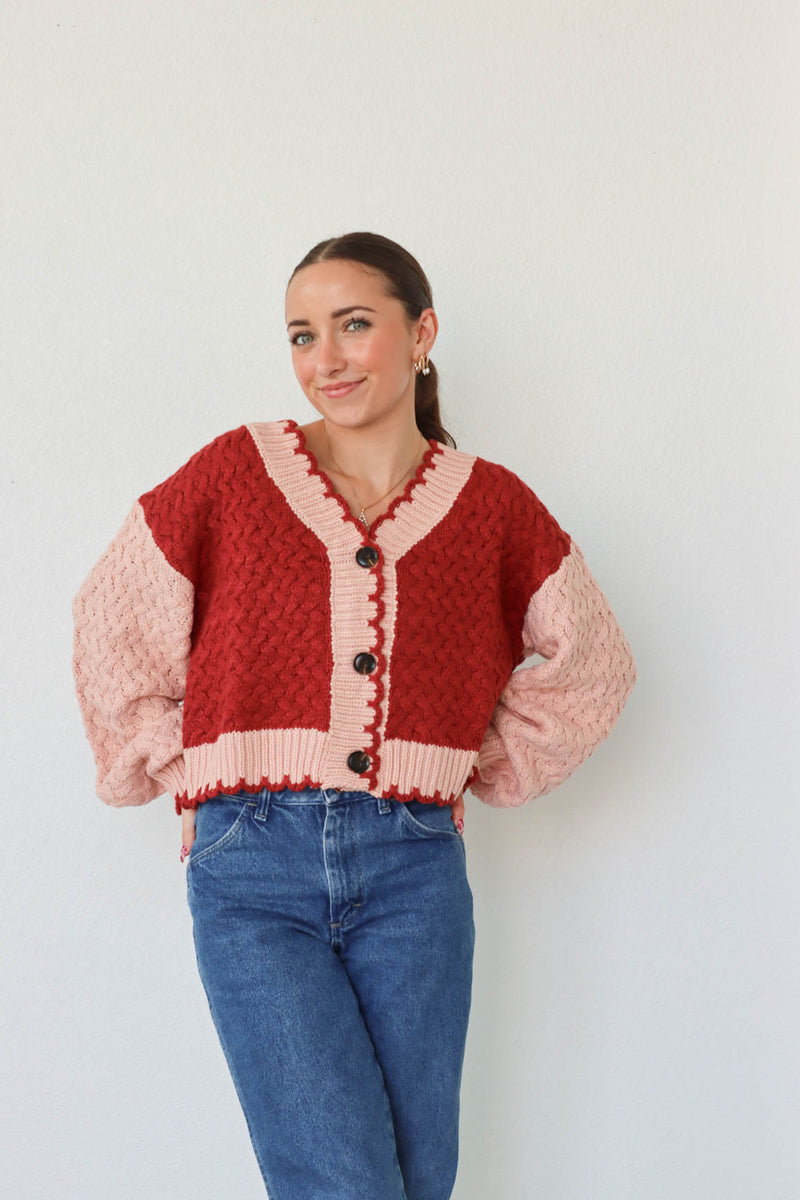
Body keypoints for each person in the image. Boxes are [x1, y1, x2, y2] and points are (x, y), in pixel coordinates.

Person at [72, 230, 637, 1199]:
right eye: (300, 335)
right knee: (341, 1182)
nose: (323, 359)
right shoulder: (233, 475)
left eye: (352, 325)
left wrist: (465, 762)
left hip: (414, 866)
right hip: (249, 866)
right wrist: (187, 766)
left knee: (418, 1179)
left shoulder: (491, 507)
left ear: (420, 334)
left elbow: (593, 662)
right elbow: (110, 618)